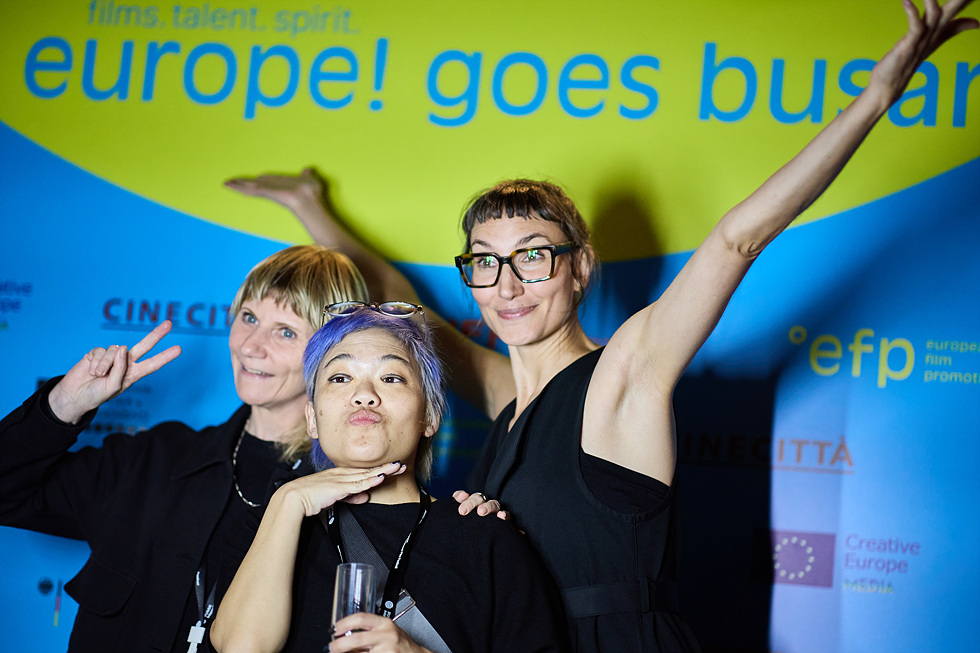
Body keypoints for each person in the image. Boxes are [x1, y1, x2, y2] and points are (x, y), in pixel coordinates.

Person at [224, 3, 978, 650]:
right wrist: (313, 210)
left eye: (534, 257)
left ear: (581, 267)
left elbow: (736, 242)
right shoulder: (506, 397)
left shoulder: (623, 375)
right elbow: (399, 304)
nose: (507, 284)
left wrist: (878, 96)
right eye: (485, 262)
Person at [0, 245, 369, 652]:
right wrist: (64, 405)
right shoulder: (152, 460)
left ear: (334, 352)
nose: (251, 346)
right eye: (249, 318)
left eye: (285, 332)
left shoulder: (349, 499)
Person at [209, 304, 569, 653]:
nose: (364, 395)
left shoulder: (484, 538)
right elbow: (241, 648)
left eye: (391, 378)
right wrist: (288, 502)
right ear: (312, 419)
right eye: (340, 377)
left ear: (430, 417)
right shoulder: (266, 528)